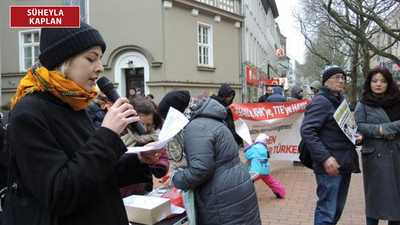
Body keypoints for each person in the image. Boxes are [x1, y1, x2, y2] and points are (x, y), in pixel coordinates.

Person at [5, 21, 161, 225]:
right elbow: (59, 193)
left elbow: (96, 174)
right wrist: (107, 134)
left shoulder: (75, 104)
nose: (100, 68)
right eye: (90, 58)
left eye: (100, 59)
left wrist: (138, 160)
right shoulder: (29, 113)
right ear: (63, 61)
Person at [171, 97, 261, 224]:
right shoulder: (215, 121)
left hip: (220, 195)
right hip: (237, 185)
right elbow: (217, 157)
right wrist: (188, 167)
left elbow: (201, 170)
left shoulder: (196, 126)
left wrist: (176, 179)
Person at [300, 65, 362, 225]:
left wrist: (355, 136)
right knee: (326, 211)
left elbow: (341, 127)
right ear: (325, 82)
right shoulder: (321, 101)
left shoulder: (339, 100)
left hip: (344, 162)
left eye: (343, 77)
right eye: (336, 77)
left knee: (337, 209)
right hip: (329, 165)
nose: (341, 80)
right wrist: (325, 158)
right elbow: (307, 131)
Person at [354, 67, 400, 225]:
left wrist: (385, 129)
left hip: (397, 154)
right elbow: (360, 125)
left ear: (389, 83)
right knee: (374, 198)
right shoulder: (364, 103)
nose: (378, 84)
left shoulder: (397, 100)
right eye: (374, 81)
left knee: (397, 199)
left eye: (383, 81)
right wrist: (380, 131)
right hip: (374, 156)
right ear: (369, 83)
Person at [120, 96, 169, 196]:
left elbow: (162, 156)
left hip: (144, 189)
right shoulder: (119, 135)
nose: (145, 129)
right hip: (121, 190)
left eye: (149, 124)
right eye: (141, 124)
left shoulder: (154, 136)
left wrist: (161, 166)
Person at [244, 133, 286, 199]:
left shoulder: (255, 147)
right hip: (265, 170)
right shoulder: (265, 149)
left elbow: (247, 155)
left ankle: (245, 195)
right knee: (271, 182)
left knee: (248, 182)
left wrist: (250, 147)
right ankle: (281, 193)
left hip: (256, 171)